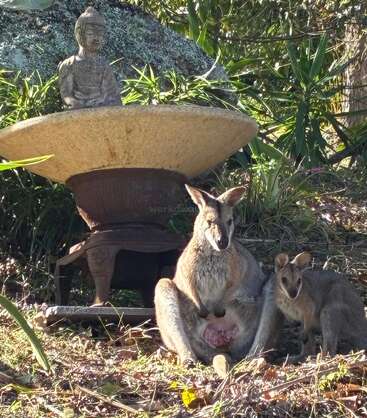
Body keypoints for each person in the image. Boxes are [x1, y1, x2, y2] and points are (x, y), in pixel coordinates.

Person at [58, 7, 121, 109]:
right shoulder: (69, 64)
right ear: (79, 34)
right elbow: (67, 96)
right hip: (78, 113)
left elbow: (113, 96)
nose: (96, 38)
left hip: (102, 112)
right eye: (91, 33)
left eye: (100, 34)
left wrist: (101, 103)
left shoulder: (104, 66)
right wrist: (76, 104)